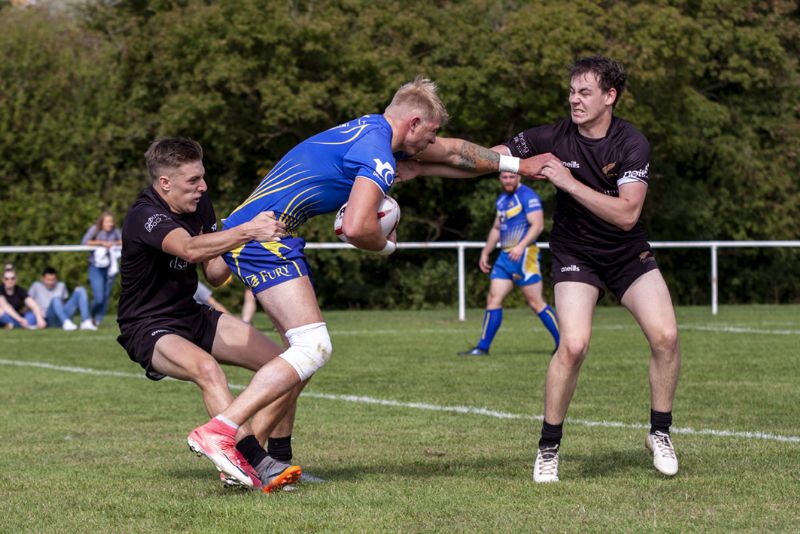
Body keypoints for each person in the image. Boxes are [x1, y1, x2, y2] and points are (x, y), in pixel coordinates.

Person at [203, 76, 546, 484]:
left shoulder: (371, 129)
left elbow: (454, 153)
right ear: (414, 123)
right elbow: (357, 226)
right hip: (263, 239)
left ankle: (258, 459)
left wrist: (518, 165)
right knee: (312, 347)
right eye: (431, 132)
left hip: (261, 233)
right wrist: (387, 247)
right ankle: (223, 432)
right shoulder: (377, 154)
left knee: (299, 358)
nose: (432, 141)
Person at [401, 56, 681, 483]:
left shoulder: (631, 143)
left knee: (666, 336)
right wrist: (423, 164)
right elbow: (488, 158)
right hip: (576, 255)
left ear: (610, 97)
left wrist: (567, 182)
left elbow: (627, 214)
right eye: (571, 91)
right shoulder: (549, 137)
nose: (575, 99)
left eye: (585, 92)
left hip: (627, 253)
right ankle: (548, 448)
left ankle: (659, 433)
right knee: (573, 345)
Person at [116, 136, 302, 492]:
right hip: (147, 325)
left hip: (190, 313)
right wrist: (245, 230)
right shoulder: (146, 216)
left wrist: (242, 244)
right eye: (193, 181)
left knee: (287, 365)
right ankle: (254, 461)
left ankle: (274, 456)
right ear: (165, 183)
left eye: (203, 177)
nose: (202, 187)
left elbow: (215, 275)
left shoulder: (200, 206)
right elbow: (187, 249)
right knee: (207, 369)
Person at [457, 171, 559, 356]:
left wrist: (520, 246)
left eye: (512, 177)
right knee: (493, 299)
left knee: (535, 303)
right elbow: (497, 228)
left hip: (525, 255)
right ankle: (482, 347)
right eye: (504, 177)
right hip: (505, 257)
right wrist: (486, 252)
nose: (508, 180)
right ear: (500, 179)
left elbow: (538, 226)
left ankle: (564, 344)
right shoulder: (502, 199)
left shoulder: (528, 196)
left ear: (519, 177)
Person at [82, 211, 123, 326]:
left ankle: (97, 320)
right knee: (99, 297)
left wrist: (112, 243)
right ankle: (89, 316)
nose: (110, 224)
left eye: (111, 222)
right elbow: (85, 242)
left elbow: (124, 240)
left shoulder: (115, 231)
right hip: (96, 267)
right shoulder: (95, 229)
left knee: (106, 296)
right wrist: (101, 243)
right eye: (107, 222)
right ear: (102, 222)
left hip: (110, 267)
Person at [28, 266, 96, 331]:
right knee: (56, 299)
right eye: (48, 280)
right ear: (42, 279)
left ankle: (85, 321)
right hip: (49, 318)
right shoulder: (36, 286)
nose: (51, 282)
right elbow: (28, 302)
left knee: (81, 290)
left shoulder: (61, 285)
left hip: (62, 314)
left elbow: (65, 302)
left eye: (53, 280)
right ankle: (66, 322)